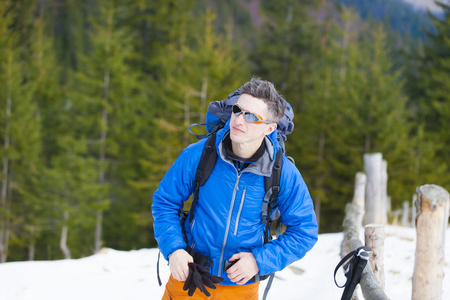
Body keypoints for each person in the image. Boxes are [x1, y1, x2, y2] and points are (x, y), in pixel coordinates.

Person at [152, 78, 318, 299]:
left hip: (241, 289)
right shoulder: (200, 154)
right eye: (238, 110)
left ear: (269, 128)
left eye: (251, 117)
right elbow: (165, 201)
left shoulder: (282, 173)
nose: (239, 119)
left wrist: (259, 261)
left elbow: (304, 231)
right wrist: (174, 249)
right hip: (189, 279)